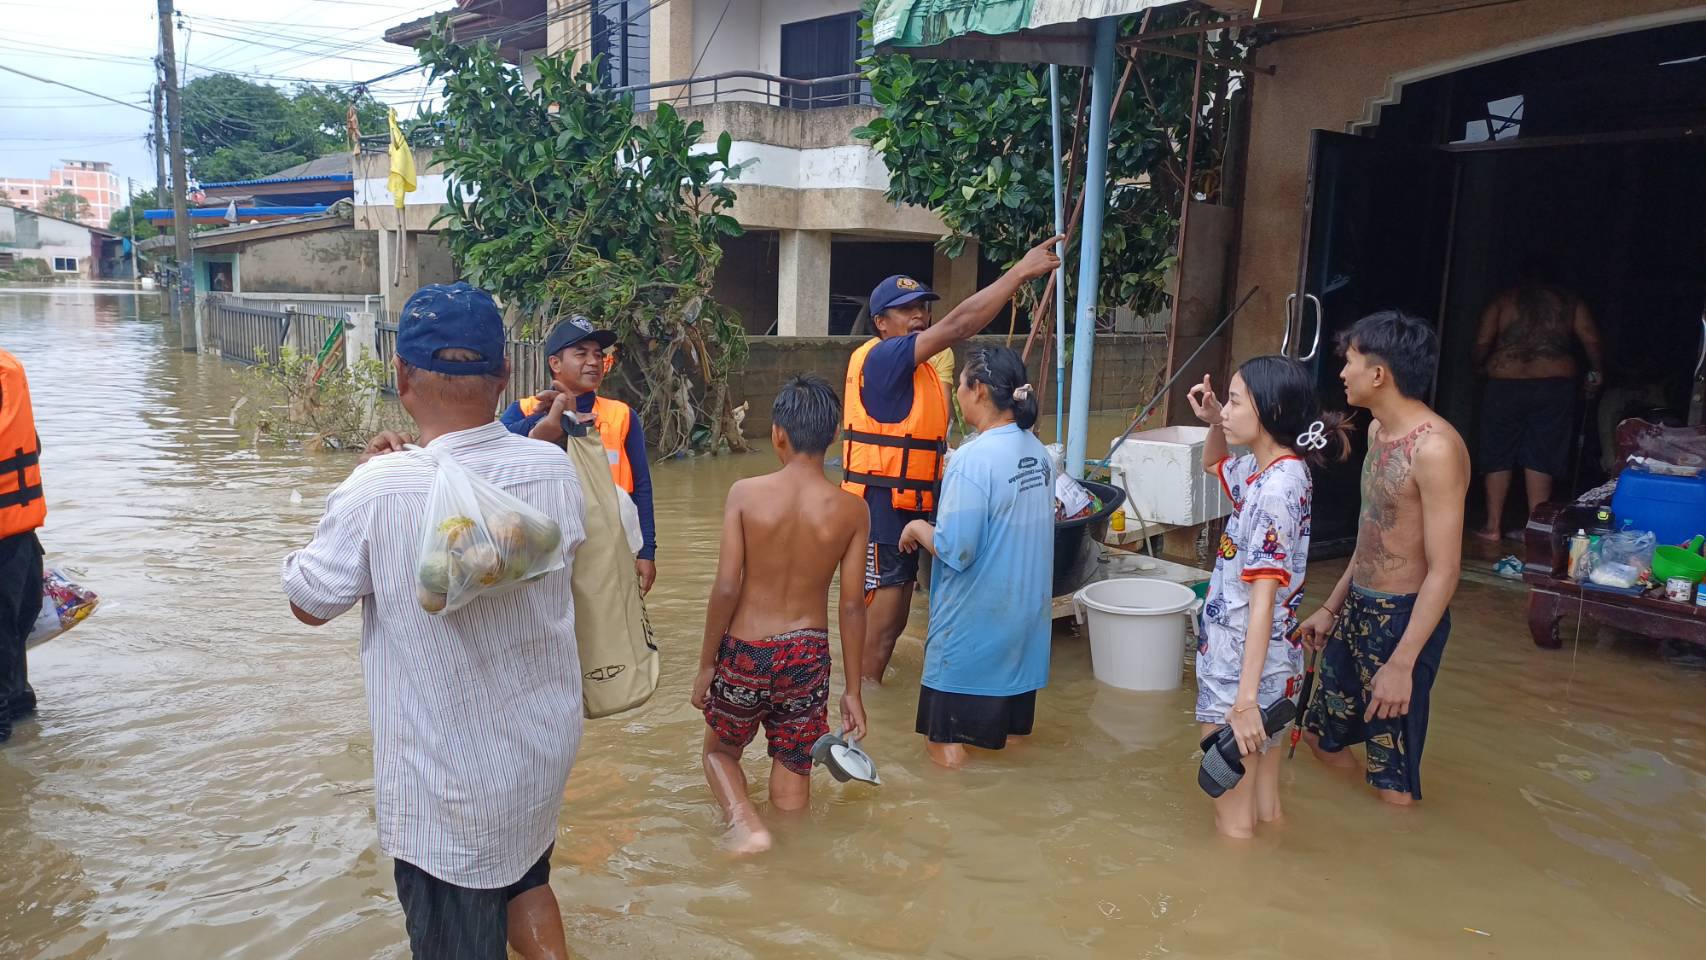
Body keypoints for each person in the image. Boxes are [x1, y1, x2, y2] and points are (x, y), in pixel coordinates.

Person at [283, 282, 588, 960]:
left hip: (449, 788)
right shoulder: (553, 471)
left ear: (400, 375)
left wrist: (357, 479)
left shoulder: (380, 488)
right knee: (525, 876)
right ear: (507, 375)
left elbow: (310, 601)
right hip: (537, 758)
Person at [845, 236, 1063, 684]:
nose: (920, 317)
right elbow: (961, 324)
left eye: (923, 308)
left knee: (897, 623)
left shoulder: (923, 368)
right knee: (881, 632)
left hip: (914, 506)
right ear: (881, 322)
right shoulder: (884, 359)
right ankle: (862, 711)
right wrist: (1019, 272)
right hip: (881, 512)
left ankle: (874, 700)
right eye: (906, 310)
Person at [692, 375, 869, 854]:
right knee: (795, 767)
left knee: (719, 753)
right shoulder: (853, 511)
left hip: (747, 650)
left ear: (777, 435)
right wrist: (852, 690)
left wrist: (708, 664)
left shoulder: (745, 494)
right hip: (807, 656)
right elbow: (852, 605)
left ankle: (745, 825)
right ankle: (792, 869)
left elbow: (727, 587)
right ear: (834, 435)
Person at [1299, 310, 1470, 806]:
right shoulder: (1377, 432)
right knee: (1318, 736)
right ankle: (1355, 826)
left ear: (1379, 374)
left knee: (1391, 777)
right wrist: (1332, 608)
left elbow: (1446, 568)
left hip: (1402, 622)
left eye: (1349, 361)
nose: (1341, 373)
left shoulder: (1435, 448)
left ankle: (1400, 852)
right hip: (1358, 609)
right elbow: (1372, 535)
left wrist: (1402, 662)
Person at [1185, 357, 1351, 838]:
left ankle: (1235, 903)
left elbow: (1261, 601)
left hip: (1240, 670)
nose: (1227, 411)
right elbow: (1212, 463)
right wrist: (1216, 417)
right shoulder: (1278, 472)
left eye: (1236, 402)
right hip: (1276, 667)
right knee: (1265, 807)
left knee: (1232, 821)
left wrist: (1244, 702)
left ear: (1272, 410)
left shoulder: (1274, 490)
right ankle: (1273, 888)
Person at [897, 346, 1053, 769]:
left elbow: (957, 548)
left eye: (961, 385)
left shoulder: (971, 459)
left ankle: (961, 831)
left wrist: (915, 528)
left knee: (943, 745)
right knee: (1013, 740)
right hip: (1025, 629)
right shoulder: (1039, 454)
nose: (956, 396)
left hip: (973, 632)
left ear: (978, 390)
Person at [502, 315, 657, 593]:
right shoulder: (524, 411)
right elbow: (495, 453)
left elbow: (642, 487)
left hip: (608, 544)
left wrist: (647, 551)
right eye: (581, 353)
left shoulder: (622, 416)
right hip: (544, 546)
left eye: (598, 355)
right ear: (555, 363)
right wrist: (547, 420)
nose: (594, 361)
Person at [1470, 274, 1603, 540]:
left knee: (1498, 451)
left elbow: (1482, 343)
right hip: (1553, 381)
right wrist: (1597, 371)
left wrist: (1479, 367)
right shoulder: (1569, 302)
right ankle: (1535, 528)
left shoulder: (1503, 300)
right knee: (1543, 452)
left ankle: (1493, 526)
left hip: (1505, 381)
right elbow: (1590, 338)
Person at [0, 347, 45, 746]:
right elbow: (32, 445)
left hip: (13, 540)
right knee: (15, 631)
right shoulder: (9, 369)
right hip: (20, 540)